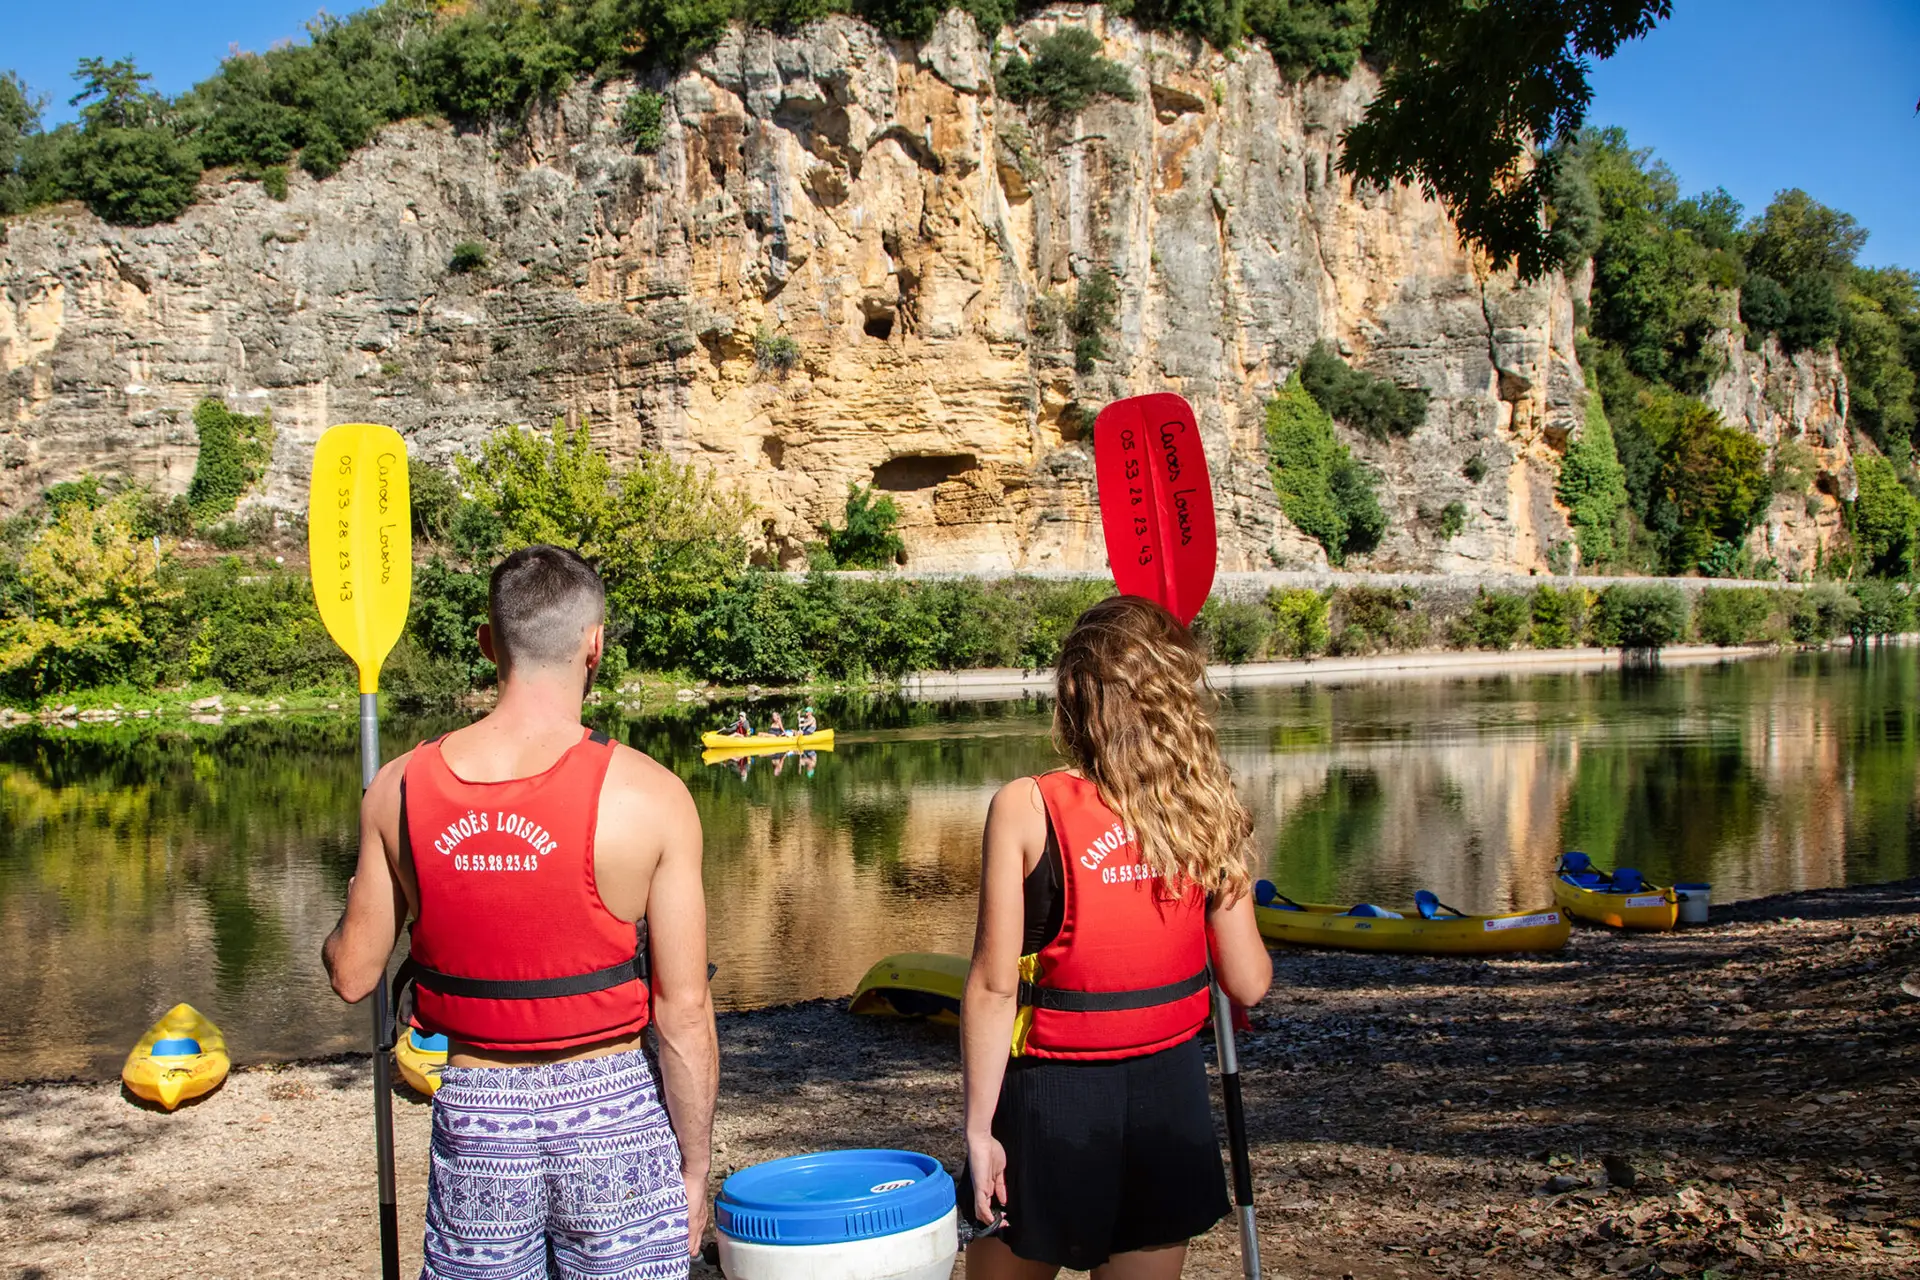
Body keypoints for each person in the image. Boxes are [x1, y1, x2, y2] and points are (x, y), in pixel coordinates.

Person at [323, 546, 718, 1279]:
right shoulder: (653, 795)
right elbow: (683, 1011)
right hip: (614, 1116)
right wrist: (694, 1167)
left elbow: (353, 975)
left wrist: (359, 896)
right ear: (595, 642)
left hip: (477, 1112)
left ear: (487, 642)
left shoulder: (396, 790)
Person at [959, 595, 1273, 1280]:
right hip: (1170, 1098)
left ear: (1072, 696)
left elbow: (992, 985)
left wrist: (979, 1132)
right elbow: (1248, 982)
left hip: (1049, 1103)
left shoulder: (1026, 805)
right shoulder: (1208, 806)